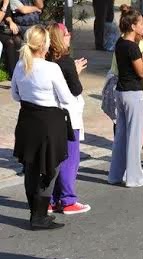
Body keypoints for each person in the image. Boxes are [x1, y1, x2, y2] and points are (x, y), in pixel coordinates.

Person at [12, 25, 75, 230]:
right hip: (50, 122)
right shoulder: (51, 68)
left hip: (28, 120)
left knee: (30, 167)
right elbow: (66, 98)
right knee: (50, 168)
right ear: (45, 44)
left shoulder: (21, 65)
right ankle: (40, 215)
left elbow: (15, 95)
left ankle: (34, 212)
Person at [108, 7, 143, 187]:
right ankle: (134, 177)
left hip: (122, 92)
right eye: (141, 24)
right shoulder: (132, 46)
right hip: (133, 93)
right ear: (133, 26)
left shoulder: (121, 42)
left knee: (122, 135)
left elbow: (136, 61)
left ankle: (115, 175)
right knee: (134, 136)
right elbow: (141, 72)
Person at [47, 23, 91, 215]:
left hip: (50, 116)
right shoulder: (65, 62)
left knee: (53, 159)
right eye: (66, 33)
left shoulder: (45, 60)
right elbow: (75, 90)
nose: (69, 36)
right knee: (70, 158)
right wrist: (76, 72)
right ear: (59, 37)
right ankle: (68, 200)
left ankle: (50, 199)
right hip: (69, 116)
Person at [0, 0, 23, 80]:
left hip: (5, 30)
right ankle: (12, 74)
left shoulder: (5, 2)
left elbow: (8, 15)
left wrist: (11, 22)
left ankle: (18, 71)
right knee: (10, 42)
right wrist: (4, 6)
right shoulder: (5, 3)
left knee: (18, 40)